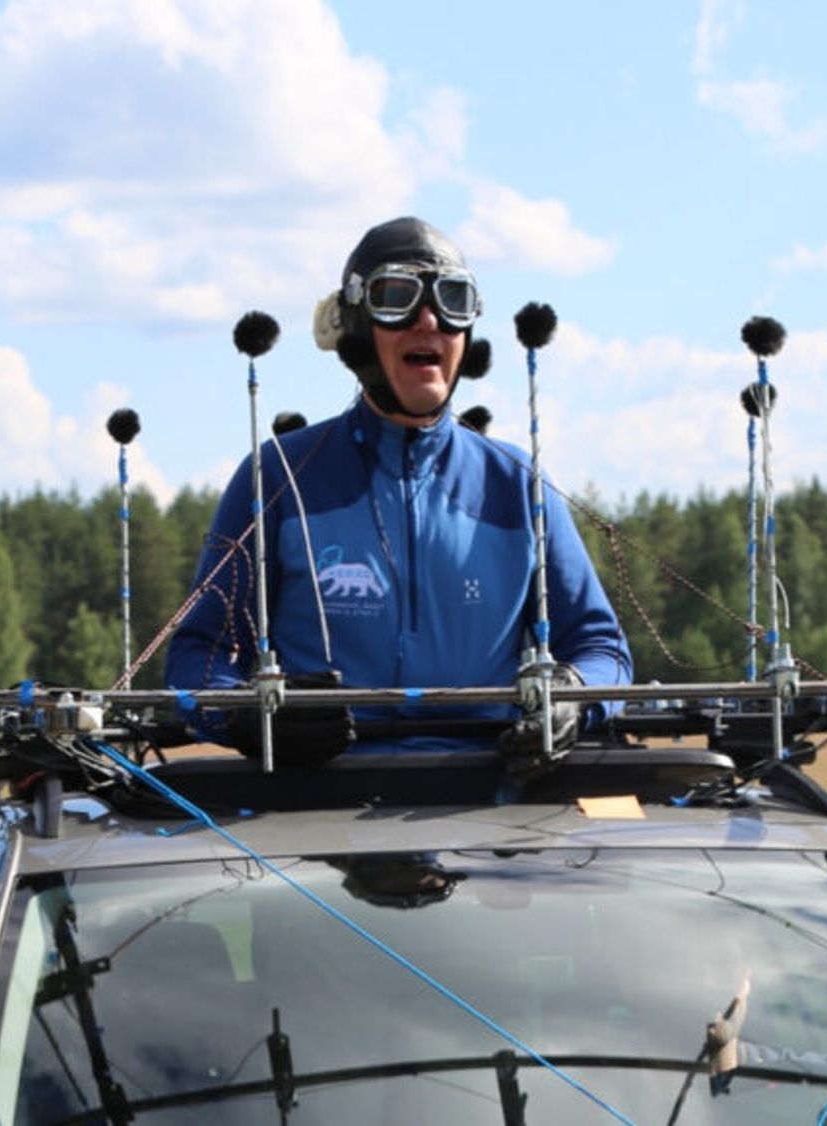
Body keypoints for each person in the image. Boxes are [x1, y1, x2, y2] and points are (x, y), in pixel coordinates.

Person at [165, 216, 632, 766]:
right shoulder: (277, 478)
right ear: (357, 328)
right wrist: (247, 715)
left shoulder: (516, 484)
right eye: (397, 297)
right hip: (309, 814)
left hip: (489, 811)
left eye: (452, 301)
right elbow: (197, 657)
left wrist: (574, 697)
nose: (428, 321)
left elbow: (603, 651)